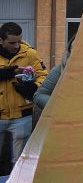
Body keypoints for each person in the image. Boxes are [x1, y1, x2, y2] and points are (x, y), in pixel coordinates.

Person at [0, 22, 48, 165]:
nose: (16, 46)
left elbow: (44, 76)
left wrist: (34, 87)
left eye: (19, 41)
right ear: (1, 40)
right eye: (12, 42)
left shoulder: (30, 54)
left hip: (23, 116)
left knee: (20, 162)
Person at [33, 34, 75, 128]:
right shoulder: (60, 70)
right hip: (63, 124)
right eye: (73, 49)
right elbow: (39, 95)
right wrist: (60, 106)